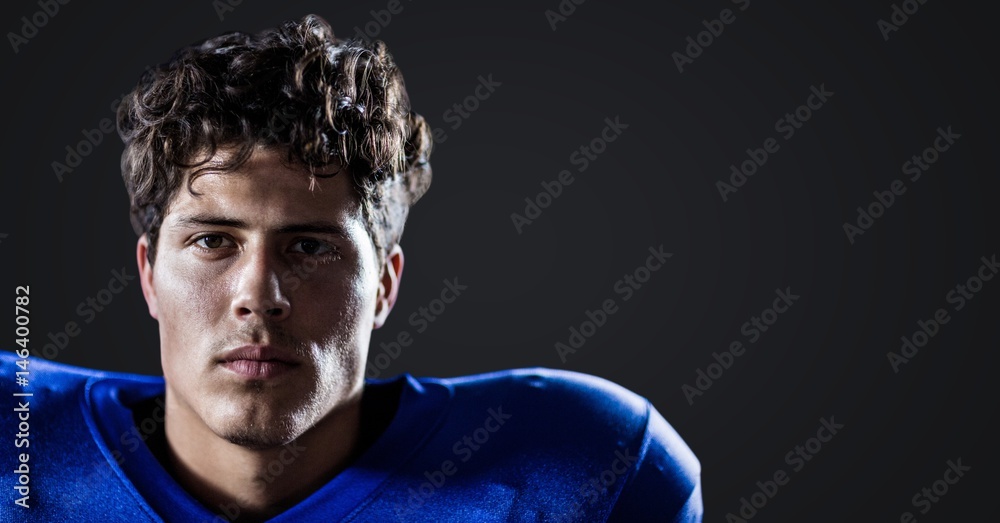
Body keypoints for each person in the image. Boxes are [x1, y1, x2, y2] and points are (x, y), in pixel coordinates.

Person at [1, 14, 701, 522]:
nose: (258, 295)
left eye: (309, 246)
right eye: (215, 240)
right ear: (150, 274)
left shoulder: (581, 466)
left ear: (386, 284)